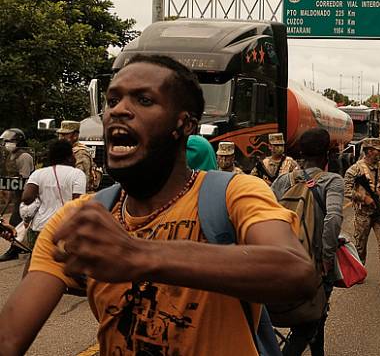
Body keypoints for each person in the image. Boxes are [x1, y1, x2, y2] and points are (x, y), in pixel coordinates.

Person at [0, 54, 315, 356]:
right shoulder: (79, 219)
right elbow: (9, 337)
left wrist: (138, 255)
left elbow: (296, 272)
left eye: (144, 100)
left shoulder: (235, 193)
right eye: (112, 101)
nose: (118, 111)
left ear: (184, 124)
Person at [271, 128, 344, 356]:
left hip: (285, 258)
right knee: (311, 319)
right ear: (326, 154)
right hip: (315, 263)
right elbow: (333, 218)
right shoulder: (332, 181)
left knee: (315, 316)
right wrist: (327, 258)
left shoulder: (283, 181)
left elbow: (268, 216)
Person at [344, 138, 380, 291]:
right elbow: (346, 189)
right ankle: (359, 270)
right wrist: (364, 198)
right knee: (360, 243)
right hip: (363, 213)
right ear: (368, 151)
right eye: (377, 150)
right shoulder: (355, 169)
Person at [12, 140, 86, 251]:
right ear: (69, 157)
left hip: (39, 229)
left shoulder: (38, 173)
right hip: (65, 229)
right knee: (62, 264)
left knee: (36, 261)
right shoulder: (77, 174)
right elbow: (78, 202)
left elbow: (26, 198)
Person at [0, 128, 34, 262]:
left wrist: (10, 183)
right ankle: (21, 246)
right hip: (16, 193)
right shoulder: (11, 155)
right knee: (17, 221)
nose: (7, 143)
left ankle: (15, 250)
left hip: (25, 192)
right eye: (6, 141)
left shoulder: (24, 156)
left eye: (11, 141)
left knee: (17, 221)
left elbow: (23, 179)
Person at [57, 120, 95, 192]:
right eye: (60, 134)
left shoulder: (80, 153)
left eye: (65, 134)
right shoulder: (64, 151)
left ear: (75, 136)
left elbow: (82, 180)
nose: (61, 137)